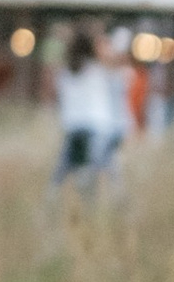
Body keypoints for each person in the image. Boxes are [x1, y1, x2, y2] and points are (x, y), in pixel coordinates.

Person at [52, 26, 124, 192]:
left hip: (73, 127)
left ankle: (53, 205)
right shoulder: (100, 69)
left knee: (61, 176)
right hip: (99, 129)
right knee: (99, 176)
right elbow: (118, 65)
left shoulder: (66, 71)